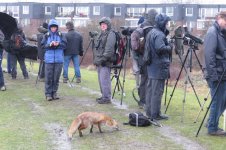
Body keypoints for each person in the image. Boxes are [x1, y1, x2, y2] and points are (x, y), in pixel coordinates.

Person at [145, 14, 172, 120]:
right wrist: (170, 46)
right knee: (156, 91)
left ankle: (150, 112)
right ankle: (155, 114)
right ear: (162, 23)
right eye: (166, 23)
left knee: (151, 90)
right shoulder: (159, 34)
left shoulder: (152, 32)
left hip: (152, 66)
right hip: (158, 66)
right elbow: (160, 48)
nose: (167, 25)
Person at [204, 11, 226, 136]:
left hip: (222, 72)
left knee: (223, 100)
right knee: (217, 101)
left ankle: (211, 121)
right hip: (216, 74)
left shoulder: (221, 33)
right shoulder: (212, 32)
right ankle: (212, 128)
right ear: (220, 18)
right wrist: (213, 76)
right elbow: (209, 55)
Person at [131, 9, 158, 109]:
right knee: (145, 80)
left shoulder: (146, 25)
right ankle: (143, 101)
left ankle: (144, 100)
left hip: (145, 57)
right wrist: (139, 49)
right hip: (144, 58)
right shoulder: (146, 26)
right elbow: (134, 38)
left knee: (146, 80)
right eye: (155, 16)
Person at [41, 19, 67, 101]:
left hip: (59, 60)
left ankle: (54, 93)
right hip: (49, 60)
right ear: (49, 27)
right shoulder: (46, 35)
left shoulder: (61, 35)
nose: (53, 29)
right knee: (49, 78)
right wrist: (50, 44)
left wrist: (58, 44)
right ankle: (48, 94)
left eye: (55, 27)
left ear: (57, 27)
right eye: (52, 27)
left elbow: (65, 45)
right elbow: (42, 46)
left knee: (56, 78)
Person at [94, 17, 116, 104]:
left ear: (108, 25)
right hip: (100, 61)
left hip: (105, 61)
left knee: (105, 80)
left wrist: (104, 59)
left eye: (104, 24)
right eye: (101, 25)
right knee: (101, 80)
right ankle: (104, 95)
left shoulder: (111, 34)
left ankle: (106, 98)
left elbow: (109, 49)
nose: (102, 26)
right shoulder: (101, 34)